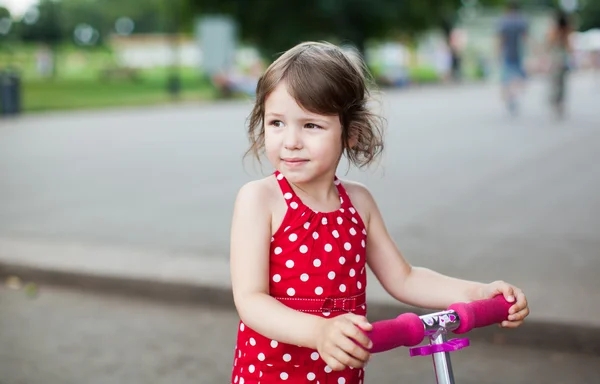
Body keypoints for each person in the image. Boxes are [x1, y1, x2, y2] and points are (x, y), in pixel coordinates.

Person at [229, 41, 530, 384]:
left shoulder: (359, 202)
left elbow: (404, 277)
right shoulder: (260, 199)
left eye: (311, 125)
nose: (291, 140)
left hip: (341, 375)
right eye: (277, 123)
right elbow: (250, 299)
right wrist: (317, 331)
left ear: (351, 133)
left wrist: (475, 293)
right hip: (272, 375)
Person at [497, 1, 529, 115]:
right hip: (518, 53)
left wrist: (498, 51)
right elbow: (525, 38)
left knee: (507, 78)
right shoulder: (521, 21)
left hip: (507, 54)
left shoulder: (504, 21)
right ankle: (514, 97)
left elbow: (501, 39)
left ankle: (510, 98)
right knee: (518, 77)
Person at [546, 10, 573, 119]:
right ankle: (559, 101)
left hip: (556, 58)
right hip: (562, 58)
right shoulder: (565, 31)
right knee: (561, 83)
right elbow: (568, 47)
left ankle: (555, 100)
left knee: (555, 82)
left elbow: (549, 45)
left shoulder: (554, 31)